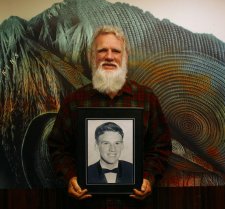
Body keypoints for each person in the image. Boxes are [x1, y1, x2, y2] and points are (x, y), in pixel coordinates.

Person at [48, 25, 172, 208]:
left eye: (116, 51)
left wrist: (148, 178)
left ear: (124, 57)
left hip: (134, 204)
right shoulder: (74, 101)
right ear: (92, 57)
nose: (109, 56)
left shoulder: (147, 98)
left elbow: (160, 146)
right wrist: (71, 177)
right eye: (102, 51)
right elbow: (58, 147)